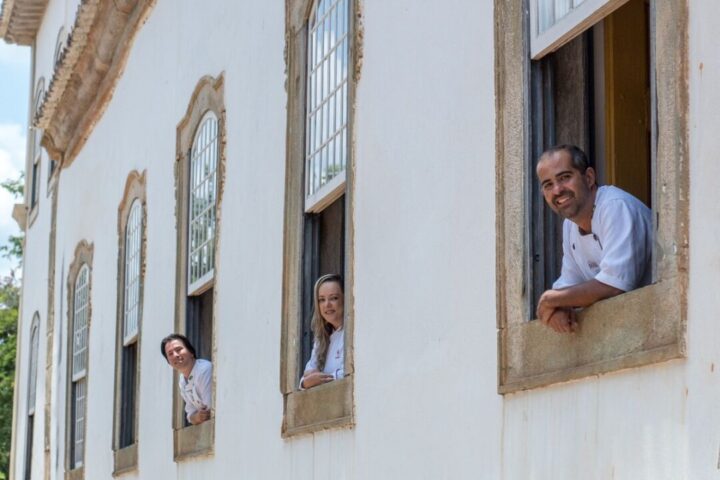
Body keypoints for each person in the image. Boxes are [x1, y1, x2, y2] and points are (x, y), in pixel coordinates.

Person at [535, 145, 652, 333]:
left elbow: (615, 285)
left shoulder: (614, 206)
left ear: (589, 178)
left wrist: (551, 300)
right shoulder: (570, 225)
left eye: (565, 177)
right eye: (548, 185)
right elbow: (569, 283)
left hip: (651, 323)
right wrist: (558, 308)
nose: (557, 190)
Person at [300, 274, 345, 389]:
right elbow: (306, 377)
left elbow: (348, 373)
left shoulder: (352, 333)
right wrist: (305, 383)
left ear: (345, 299)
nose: (327, 305)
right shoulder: (322, 339)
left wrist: (318, 379)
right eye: (321, 300)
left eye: (334, 298)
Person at [161, 333, 212, 425]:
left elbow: (209, 412)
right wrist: (197, 417)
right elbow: (190, 416)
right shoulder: (182, 381)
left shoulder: (204, 370)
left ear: (191, 352)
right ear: (168, 362)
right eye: (170, 354)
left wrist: (197, 417)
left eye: (179, 349)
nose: (175, 355)